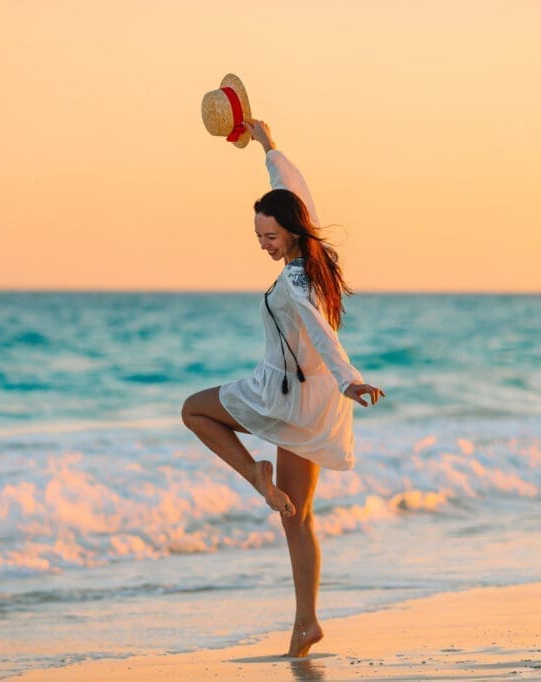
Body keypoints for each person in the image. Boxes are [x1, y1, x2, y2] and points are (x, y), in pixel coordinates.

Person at [181, 119, 385, 658]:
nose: (264, 245)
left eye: (270, 237)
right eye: (258, 237)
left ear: (292, 233)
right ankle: (306, 624)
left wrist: (352, 379)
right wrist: (270, 147)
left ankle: (255, 475)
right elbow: (296, 189)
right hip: (316, 405)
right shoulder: (315, 258)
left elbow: (318, 326)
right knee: (297, 514)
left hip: (281, 394)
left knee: (194, 412)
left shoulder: (298, 280)